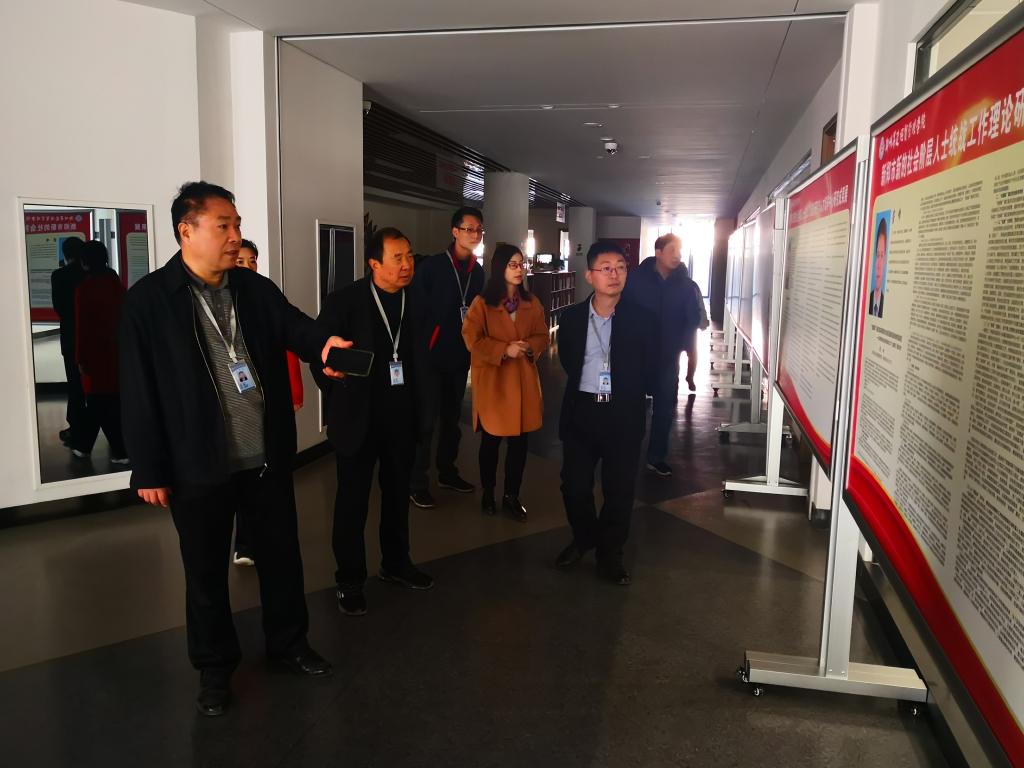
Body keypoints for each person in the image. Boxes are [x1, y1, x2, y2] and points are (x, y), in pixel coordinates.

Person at [120, 181, 348, 717]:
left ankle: (289, 643)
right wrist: (148, 468)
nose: (234, 236)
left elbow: (295, 326)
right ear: (186, 230)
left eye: (237, 225)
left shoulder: (252, 288)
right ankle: (215, 668)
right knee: (204, 571)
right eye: (223, 225)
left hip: (264, 456)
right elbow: (137, 390)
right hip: (196, 464)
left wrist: (323, 345)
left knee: (281, 556)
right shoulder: (149, 302)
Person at [313, 227, 434, 618]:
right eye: (398, 258)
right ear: (374, 263)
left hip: (402, 419)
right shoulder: (345, 301)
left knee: (397, 497)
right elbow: (320, 355)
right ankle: (349, 580)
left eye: (409, 256)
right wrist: (334, 383)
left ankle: (396, 564)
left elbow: (423, 361)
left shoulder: (418, 300)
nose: (407, 264)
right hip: (358, 420)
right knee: (352, 502)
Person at [554, 241, 656, 586]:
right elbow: (568, 361)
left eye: (621, 267)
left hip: (623, 412)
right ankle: (584, 537)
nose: (615, 274)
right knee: (574, 485)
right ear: (590, 276)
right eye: (606, 268)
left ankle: (610, 553)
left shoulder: (641, 318)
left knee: (620, 488)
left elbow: (652, 365)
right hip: (582, 410)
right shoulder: (571, 318)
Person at [461, 243, 549, 521]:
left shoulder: (531, 303)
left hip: (522, 383)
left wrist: (530, 346)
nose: (519, 269)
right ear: (500, 268)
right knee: (491, 443)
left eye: (521, 264)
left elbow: (542, 335)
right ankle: (488, 492)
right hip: (495, 383)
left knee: (520, 445)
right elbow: (471, 339)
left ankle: (512, 495)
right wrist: (503, 350)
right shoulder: (482, 303)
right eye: (513, 264)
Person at [231, 239, 304, 567]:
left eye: (253, 261)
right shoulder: (221, 299)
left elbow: (289, 351)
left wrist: (294, 394)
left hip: (269, 405)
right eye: (241, 260)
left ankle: (268, 539)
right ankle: (244, 542)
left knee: (269, 475)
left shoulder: (265, 295)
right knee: (243, 475)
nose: (248, 266)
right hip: (236, 408)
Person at [408, 207, 486, 509]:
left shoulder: (478, 273)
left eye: (479, 230)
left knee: (452, 420)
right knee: (426, 422)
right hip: (430, 357)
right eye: (469, 229)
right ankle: (416, 482)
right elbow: (416, 312)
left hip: (459, 356)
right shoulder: (432, 267)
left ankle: (447, 472)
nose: (475, 234)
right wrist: (422, 349)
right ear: (455, 232)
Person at [623, 233, 701, 478]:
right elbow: (623, 311)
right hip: (637, 356)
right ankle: (626, 453)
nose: (677, 255)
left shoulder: (686, 285)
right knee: (631, 408)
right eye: (672, 250)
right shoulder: (636, 279)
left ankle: (656, 457)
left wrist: (685, 348)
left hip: (667, 357)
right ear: (658, 253)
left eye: (679, 251)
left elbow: (693, 320)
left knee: (665, 409)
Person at [72, 240, 128, 464]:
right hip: (116, 351)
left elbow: (82, 327)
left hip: (94, 353)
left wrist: (80, 357)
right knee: (108, 400)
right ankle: (85, 446)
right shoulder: (117, 285)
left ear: (85, 262)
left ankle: (119, 451)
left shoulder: (85, 289)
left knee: (98, 401)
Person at [50, 236, 88, 448]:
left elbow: (60, 308)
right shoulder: (90, 274)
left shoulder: (59, 275)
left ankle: (76, 428)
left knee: (74, 384)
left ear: (65, 254)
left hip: (71, 336)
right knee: (100, 383)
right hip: (95, 336)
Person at [869, 218, 887, 318]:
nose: (878, 265)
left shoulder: (886, 303)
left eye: (882, 256)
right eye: (877, 255)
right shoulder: (868, 298)